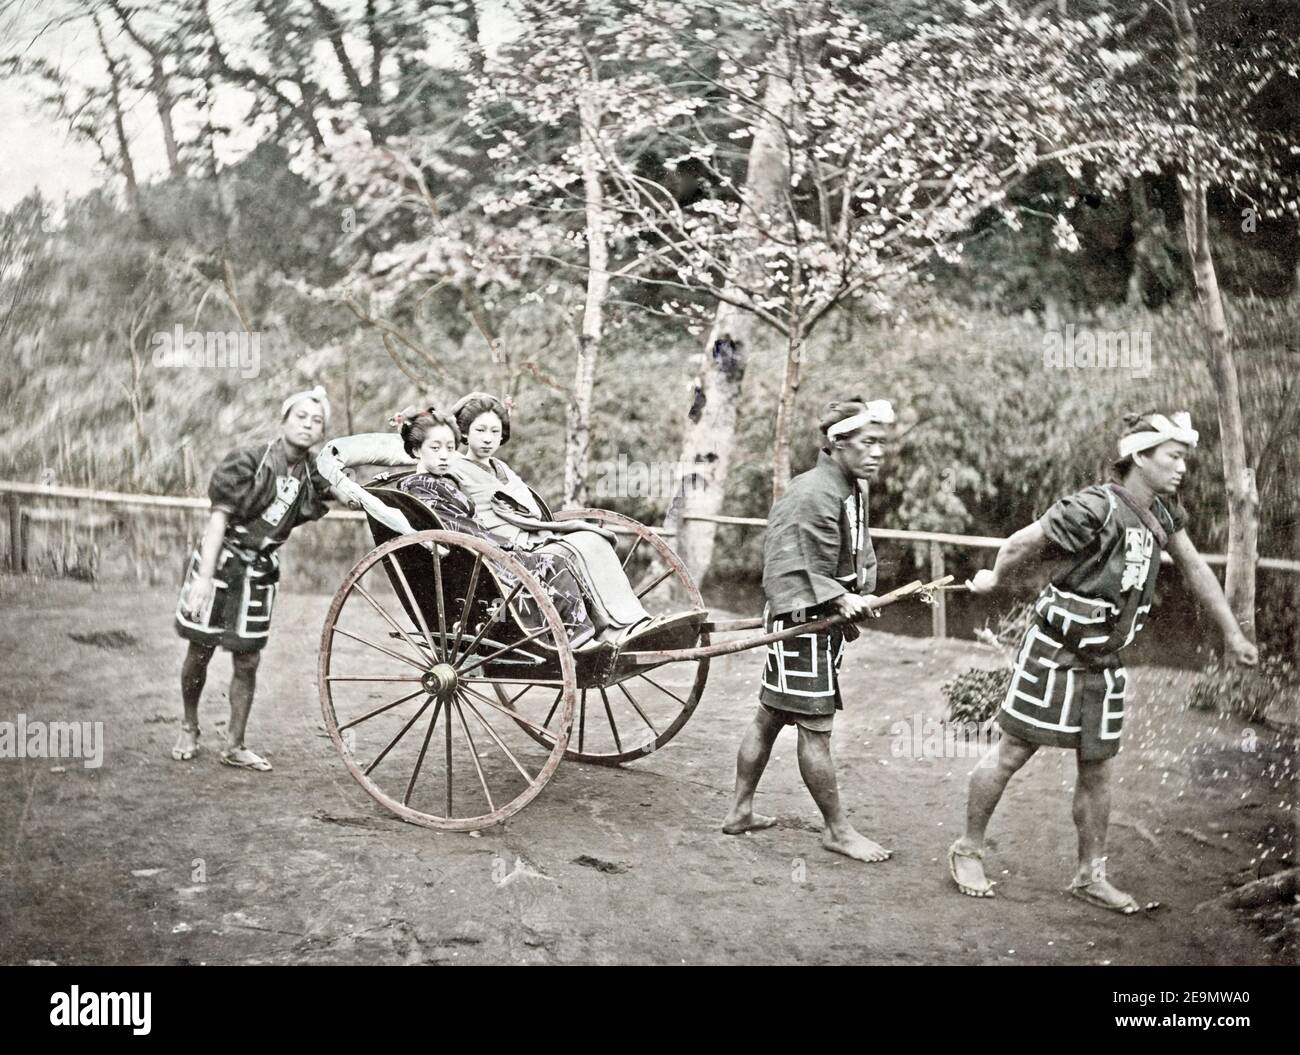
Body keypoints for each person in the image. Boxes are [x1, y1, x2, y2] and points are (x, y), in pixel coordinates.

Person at [948, 410, 1259, 912]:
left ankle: (1090, 875)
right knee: (1011, 754)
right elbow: (1020, 543)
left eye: (1184, 458)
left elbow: (1196, 567)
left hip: (1106, 658)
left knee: (1097, 770)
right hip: (1054, 650)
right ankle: (967, 848)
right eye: (1172, 457)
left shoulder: (1162, 512)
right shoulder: (1094, 506)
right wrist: (994, 579)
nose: (1182, 469)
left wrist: (1231, 633)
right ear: (1139, 456)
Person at [722, 397, 895, 863]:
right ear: (838, 444)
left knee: (770, 715)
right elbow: (791, 560)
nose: (878, 452)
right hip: (804, 622)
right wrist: (839, 596)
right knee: (815, 728)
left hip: (819, 619)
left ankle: (739, 811)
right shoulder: (812, 492)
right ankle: (837, 831)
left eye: (881, 443)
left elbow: (851, 553)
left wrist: (859, 592)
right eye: (868, 443)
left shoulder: (848, 487)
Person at [316, 408, 597, 646]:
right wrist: (505, 544)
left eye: (450, 448)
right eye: (435, 449)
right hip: (470, 561)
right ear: (416, 450)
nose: (443, 456)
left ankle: (573, 630)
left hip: (479, 551)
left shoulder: (447, 482)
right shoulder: (418, 488)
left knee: (558, 558)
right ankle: (567, 635)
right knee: (551, 561)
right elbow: (457, 528)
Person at [173, 386, 332, 770]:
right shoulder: (249, 460)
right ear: (283, 420)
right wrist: (202, 581)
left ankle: (235, 744)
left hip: (259, 569)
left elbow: (342, 488)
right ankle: (189, 725)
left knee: (248, 660)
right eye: (301, 417)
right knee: (200, 649)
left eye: (317, 422)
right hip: (221, 560)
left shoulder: (313, 475)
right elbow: (218, 522)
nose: (308, 426)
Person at [447, 391, 666, 641]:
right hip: (502, 541)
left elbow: (527, 507)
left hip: (528, 531)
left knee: (593, 540)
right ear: (464, 433)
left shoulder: (501, 468)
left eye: (495, 432)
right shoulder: (455, 468)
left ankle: (629, 621)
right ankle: (602, 629)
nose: (488, 439)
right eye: (480, 430)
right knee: (569, 553)